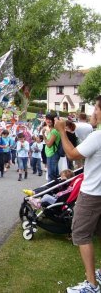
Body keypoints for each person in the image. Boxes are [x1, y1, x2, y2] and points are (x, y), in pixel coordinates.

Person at [55, 95, 101, 293]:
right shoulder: (95, 136)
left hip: (92, 194)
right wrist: (70, 129)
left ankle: (92, 285)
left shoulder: (98, 136)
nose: (93, 112)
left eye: (96, 109)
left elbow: (72, 154)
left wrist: (61, 132)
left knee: (81, 233)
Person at [42, 113, 61, 182]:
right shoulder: (52, 130)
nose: (48, 121)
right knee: (55, 174)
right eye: (47, 119)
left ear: (54, 120)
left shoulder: (54, 131)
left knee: (51, 176)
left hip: (52, 154)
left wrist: (43, 134)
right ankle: (56, 190)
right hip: (51, 154)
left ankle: (50, 191)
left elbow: (49, 144)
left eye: (50, 119)